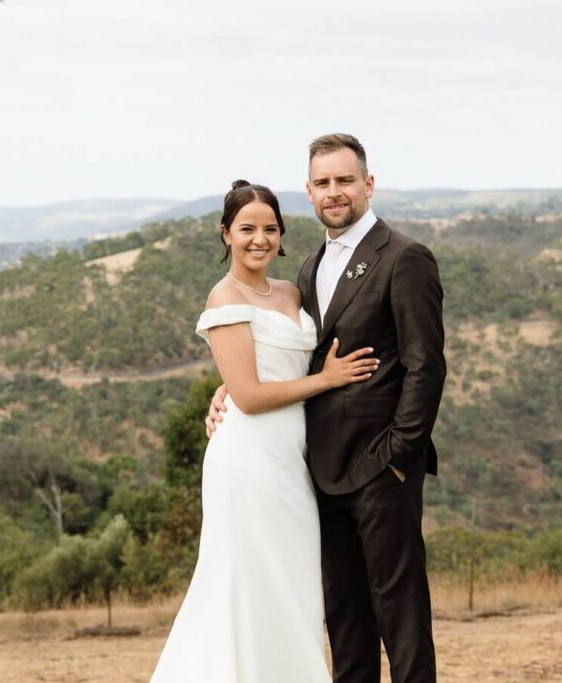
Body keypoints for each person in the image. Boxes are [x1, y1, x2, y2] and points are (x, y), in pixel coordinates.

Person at [207, 134, 446, 682]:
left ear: (368, 184)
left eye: (344, 180)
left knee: (401, 612)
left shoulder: (405, 257)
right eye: (322, 183)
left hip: (383, 467)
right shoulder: (310, 269)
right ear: (310, 191)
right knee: (345, 617)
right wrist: (229, 389)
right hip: (319, 469)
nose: (334, 192)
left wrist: (399, 456)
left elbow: (425, 366)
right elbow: (291, 353)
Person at [151, 180, 380, 683]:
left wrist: (230, 385)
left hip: (294, 459)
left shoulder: (292, 292)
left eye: (270, 229)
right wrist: (327, 380)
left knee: (293, 580)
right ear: (226, 234)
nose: (260, 239)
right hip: (248, 458)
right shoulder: (224, 296)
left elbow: (275, 367)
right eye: (247, 229)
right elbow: (251, 396)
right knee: (247, 579)